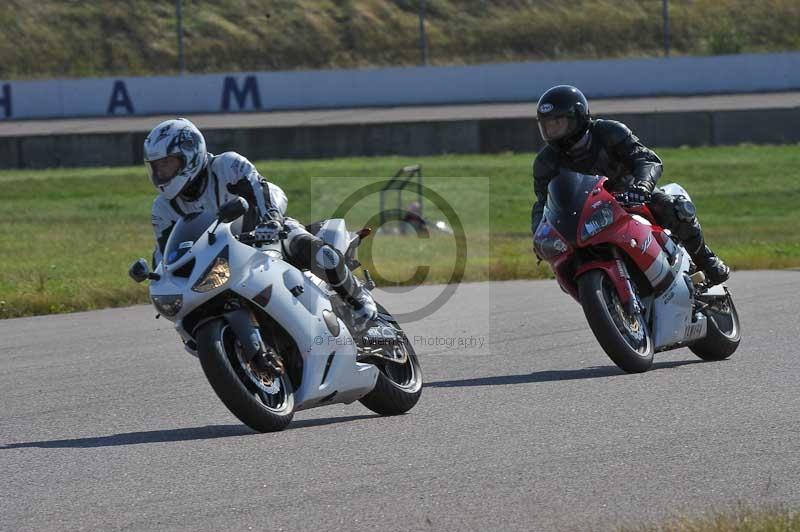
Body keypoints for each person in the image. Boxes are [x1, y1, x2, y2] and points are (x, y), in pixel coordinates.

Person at [144, 117, 377, 325]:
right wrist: (161, 277)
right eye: (156, 167)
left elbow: (260, 190)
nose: (161, 173)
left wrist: (272, 220)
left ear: (190, 154)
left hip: (263, 237)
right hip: (217, 265)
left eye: (167, 164)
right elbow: (165, 252)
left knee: (312, 249)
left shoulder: (227, 165)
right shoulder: (162, 208)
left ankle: (357, 297)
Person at [530, 85, 729, 285]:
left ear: (577, 117)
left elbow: (647, 159)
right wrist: (540, 234)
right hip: (588, 213)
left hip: (630, 194)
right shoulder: (545, 162)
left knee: (673, 208)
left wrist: (642, 186)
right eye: (547, 125)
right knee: (568, 257)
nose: (552, 131)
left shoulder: (609, 131)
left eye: (557, 123)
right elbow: (543, 203)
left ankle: (706, 260)